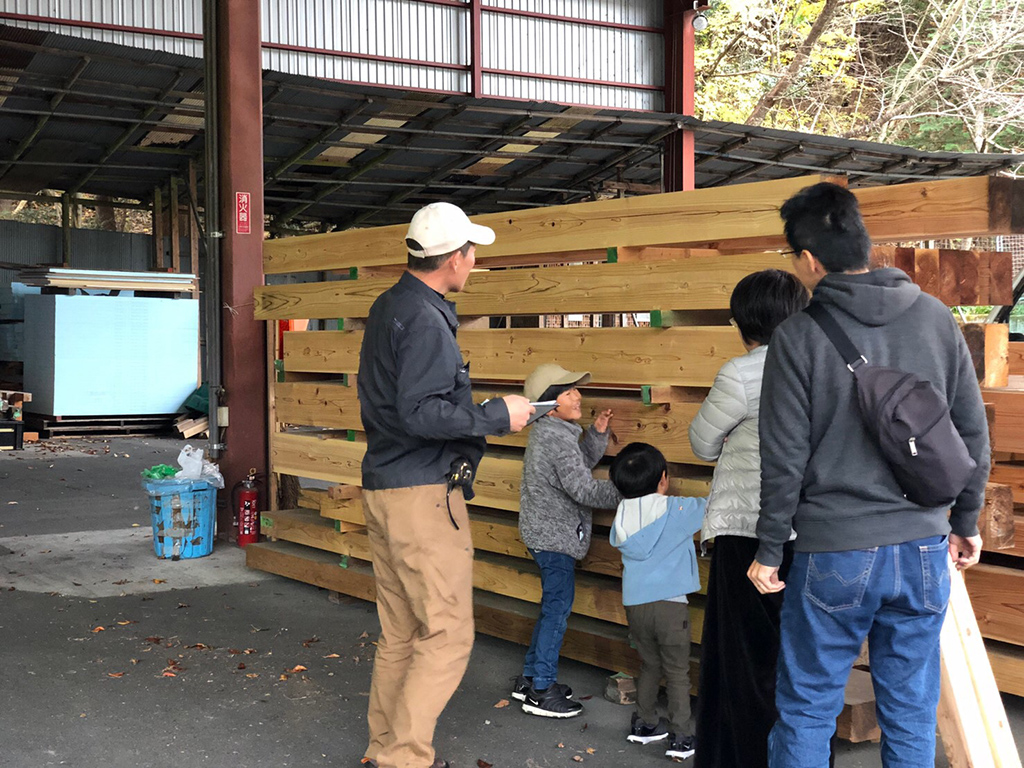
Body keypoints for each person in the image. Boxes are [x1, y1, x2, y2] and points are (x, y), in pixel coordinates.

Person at [749, 182, 990, 767]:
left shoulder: (798, 337)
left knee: (808, 707)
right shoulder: (936, 319)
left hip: (834, 551)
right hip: (923, 548)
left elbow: (782, 457)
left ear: (809, 260)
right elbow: (971, 432)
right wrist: (965, 520)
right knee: (909, 709)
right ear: (865, 242)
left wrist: (769, 550)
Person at [357, 202, 535, 768]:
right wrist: (494, 416)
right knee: (449, 635)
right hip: (422, 497)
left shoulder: (390, 306)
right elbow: (421, 413)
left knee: (401, 635)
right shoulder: (429, 321)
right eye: (472, 253)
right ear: (454, 258)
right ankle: (403, 760)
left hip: (385, 486)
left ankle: (383, 750)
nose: (475, 262)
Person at [687, 270, 809, 768]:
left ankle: (740, 758)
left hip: (748, 532)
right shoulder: (819, 365)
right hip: (813, 531)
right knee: (799, 659)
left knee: (744, 657)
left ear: (746, 321)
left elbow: (700, 442)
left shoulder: (741, 373)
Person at [512, 363, 621, 718]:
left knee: (551, 608)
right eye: (568, 391)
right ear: (547, 403)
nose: (578, 396)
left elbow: (576, 465)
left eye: (576, 389)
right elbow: (583, 488)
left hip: (544, 532)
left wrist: (597, 434)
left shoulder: (555, 432)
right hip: (554, 537)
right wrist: (632, 489)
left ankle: (530, 679)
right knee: (557, 611)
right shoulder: (556, 437)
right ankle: (542, 690)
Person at [609, 442, 705, 762]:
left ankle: (645, 723)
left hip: (635, 605)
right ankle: (680, 735)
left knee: (649, 664)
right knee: (678, 672)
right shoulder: (675, 509)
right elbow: (714, 505)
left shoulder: (622, 514)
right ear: (663, 479)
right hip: (670, 605)